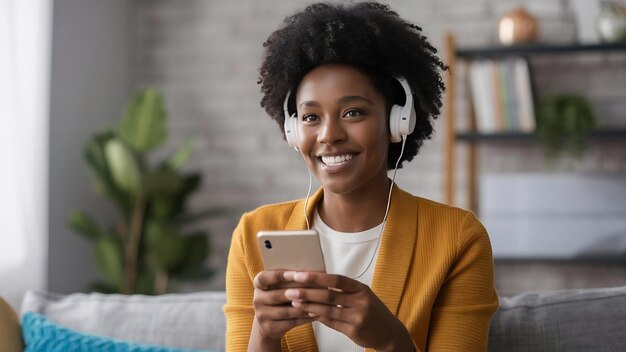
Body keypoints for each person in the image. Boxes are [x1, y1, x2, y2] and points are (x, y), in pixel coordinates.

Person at [224, 2, 499, 351]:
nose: (328, 135)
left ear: (398, 121)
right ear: (293, 130)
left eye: (353, 112)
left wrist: (391, 340)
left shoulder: (458, 240)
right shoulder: (253, 236)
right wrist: (264, 334)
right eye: (311, 117)